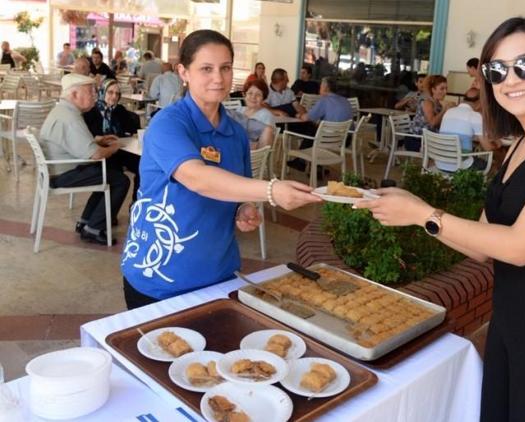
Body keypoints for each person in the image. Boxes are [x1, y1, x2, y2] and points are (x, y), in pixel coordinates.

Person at [355, 16, 525, 421]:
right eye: (497, 70)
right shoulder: (520, 146)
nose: (510, 79)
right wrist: (413, 214)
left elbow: (519, 247)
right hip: (511, 329)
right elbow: (484, 245)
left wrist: (425, 212)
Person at [120, 29, 321, 309]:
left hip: (218, 274)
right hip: (160, 276)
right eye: (206, 68)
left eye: (225, 67)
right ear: (183, 72)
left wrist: (244, 208)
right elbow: (197, 177)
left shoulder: (236, 132)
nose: (218, 78)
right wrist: (272, 190)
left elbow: (238, 189)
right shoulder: (168, 123)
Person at [39, 74, 130, 245]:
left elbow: (70, 141)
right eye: (90, 91)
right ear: (74, 95)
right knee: (120, 180)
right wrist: (114, 147)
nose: (95, 95)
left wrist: (97, 140)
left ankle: (86, 221)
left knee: (107, 174)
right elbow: (94, 155)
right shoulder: (70, 118)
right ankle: (94, 229)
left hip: (56, 169)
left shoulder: (63, 111)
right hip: (62, 173)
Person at [83, 78, 141, 202]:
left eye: (117, 93)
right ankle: (107, 210)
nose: (114, 96)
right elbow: (86, 136)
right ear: (102, 92)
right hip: (101, 153)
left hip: (121, 150)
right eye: (110, 92)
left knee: (143, 166)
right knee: (115, 174)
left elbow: (134, 130)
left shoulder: (119, 110)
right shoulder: (91, 112)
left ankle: (136, 205)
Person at [436, 87, 488, 172]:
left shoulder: (449, 112)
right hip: (461, 165)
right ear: (479, 102)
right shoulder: (475, 116)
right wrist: (497, 144)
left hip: (440, 162)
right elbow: (487, 147)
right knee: (490, 163)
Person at [408, 75, 454, 151]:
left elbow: (439, 124)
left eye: (446, 89)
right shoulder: (427, 102)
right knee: (447, 149)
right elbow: (432, 123)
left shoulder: (438, 105)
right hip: (417, 140)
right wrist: (445, 109)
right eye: (442, 89)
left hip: (428, 139)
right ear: (433, 89)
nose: (445, 92)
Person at [227, 79, 275, 149]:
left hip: (253, 156)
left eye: (258, 95)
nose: (253, 97)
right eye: (250, 93)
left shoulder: (266, 115)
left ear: (263, 99)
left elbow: (265, 144)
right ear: (244, 95)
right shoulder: (239, 110)